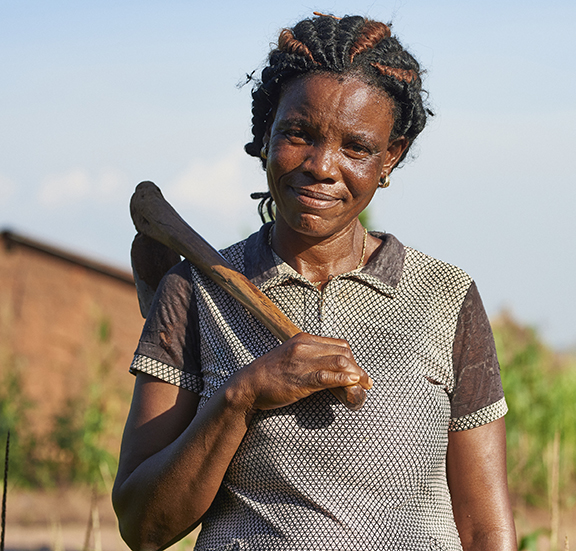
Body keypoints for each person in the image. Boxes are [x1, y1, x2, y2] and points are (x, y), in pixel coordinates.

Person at [112, 13, 516, 551]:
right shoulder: (194, 293)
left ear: (390, 157)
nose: (323, 166)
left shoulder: (444, 298)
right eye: (298, 134)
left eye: (357, 147)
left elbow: (486, 527)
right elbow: (143, 525)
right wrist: (243, 395)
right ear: (264, 136)